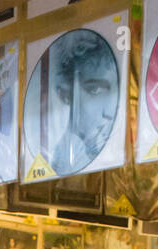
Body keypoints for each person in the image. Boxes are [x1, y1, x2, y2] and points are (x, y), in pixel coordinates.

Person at [43, 30, 119, 176]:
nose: (110, 111)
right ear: (64, 94)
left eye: (115, 92)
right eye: (95, 90)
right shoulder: (62, 163)